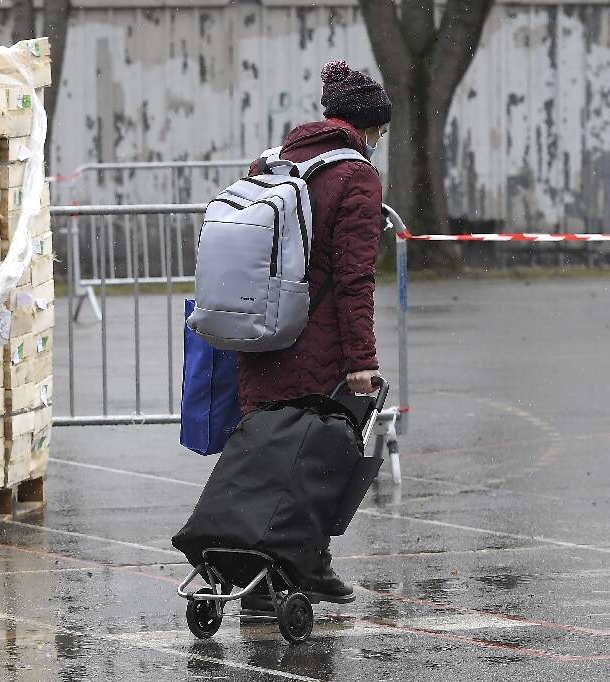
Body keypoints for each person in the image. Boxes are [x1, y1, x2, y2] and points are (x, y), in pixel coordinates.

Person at [238, 60, 390, 622]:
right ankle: (307, 563)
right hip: (316, 341)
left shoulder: (273, 162)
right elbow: (354, 279)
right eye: (380, 133)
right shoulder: (355, 177)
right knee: (321, 457)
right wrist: (361, 362)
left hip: (258, 335)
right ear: (366, 126)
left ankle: (250, 575)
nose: (379, 143)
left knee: (263, 458)